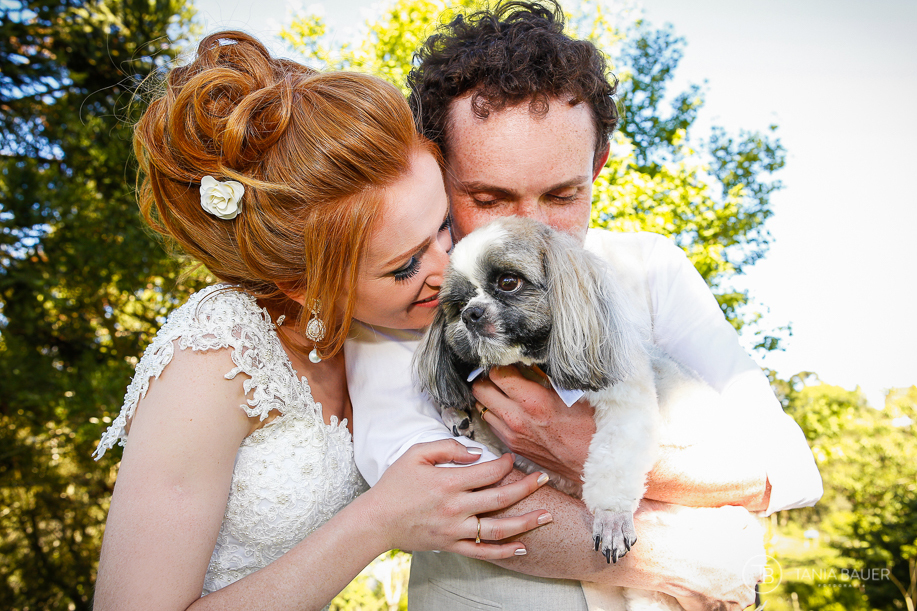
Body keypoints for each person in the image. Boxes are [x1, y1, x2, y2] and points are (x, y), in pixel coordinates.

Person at [346, 1, 824, 609]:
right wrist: (701, 552)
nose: (533, 229)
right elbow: (439, 495)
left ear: (598, 167)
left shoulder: (652, 269)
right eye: (491, 198)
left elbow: (786, 466)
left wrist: (580, 444)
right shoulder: (409, 301)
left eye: (563, 194)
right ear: (439, 178)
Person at [90, 31, 557, 611]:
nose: (452, 268)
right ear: (303, 285)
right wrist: (377, 523)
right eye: (406, 264)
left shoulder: (400, 326)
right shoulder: (215, 356)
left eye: (443, 227)